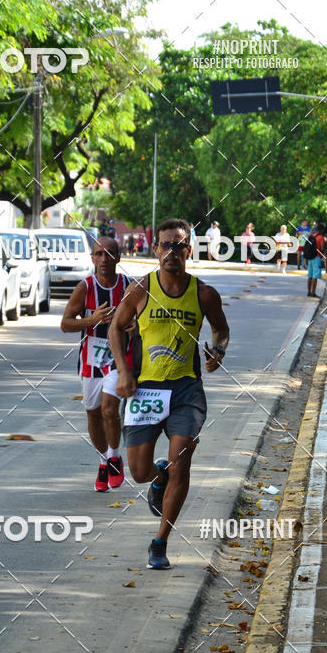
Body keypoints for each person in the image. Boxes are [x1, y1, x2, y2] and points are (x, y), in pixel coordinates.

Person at [108, 218, 230, 570]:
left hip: (186, 390)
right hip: (145, 389)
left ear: (189, 250)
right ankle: (157, 478)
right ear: (155, 250)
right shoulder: (140, 291)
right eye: (165, 245)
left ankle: (160, 542)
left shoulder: (203, 293)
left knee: (182, 461)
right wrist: (124, 372)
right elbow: (116, 327)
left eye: (179, 245)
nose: (171, 252)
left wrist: (217, 352)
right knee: (139, 471)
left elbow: (221, 330)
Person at [61, 236, 132, 491]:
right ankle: (104, 461)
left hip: (118, 358)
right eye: (99, 254)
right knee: (93, 413)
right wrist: (92, 320)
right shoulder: (85, 288)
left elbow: (145, 319)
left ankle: (114, 457)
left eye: (110, 254)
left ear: (119, 258)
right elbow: (66, 323)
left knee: (109, 409)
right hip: (90, 359)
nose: (104, 259)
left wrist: (135, 326)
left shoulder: (128, 286)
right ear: (92, 258)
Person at [303, 223, 325, 297]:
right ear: (321, 230)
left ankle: (309, 292)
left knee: (310, 275)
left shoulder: (312, 236)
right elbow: (322, 248)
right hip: (317, 257)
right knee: (315, 276)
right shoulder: (321, 237)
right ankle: (313, 292)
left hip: (310, 257)